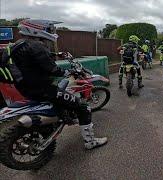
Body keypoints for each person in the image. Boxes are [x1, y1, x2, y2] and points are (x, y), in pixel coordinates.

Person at [4, 19, 108, 149]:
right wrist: (67, 72)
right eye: (48, 29)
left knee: (63, 97)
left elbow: (31, 59)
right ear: (36, 29)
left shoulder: (18, 44)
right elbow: (53, 69)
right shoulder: (37, 46)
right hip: (43, 89)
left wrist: (55, 54)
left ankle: (62, 116)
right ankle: (90, 141)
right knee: (83, 107)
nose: (51, 32)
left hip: (24, 88)